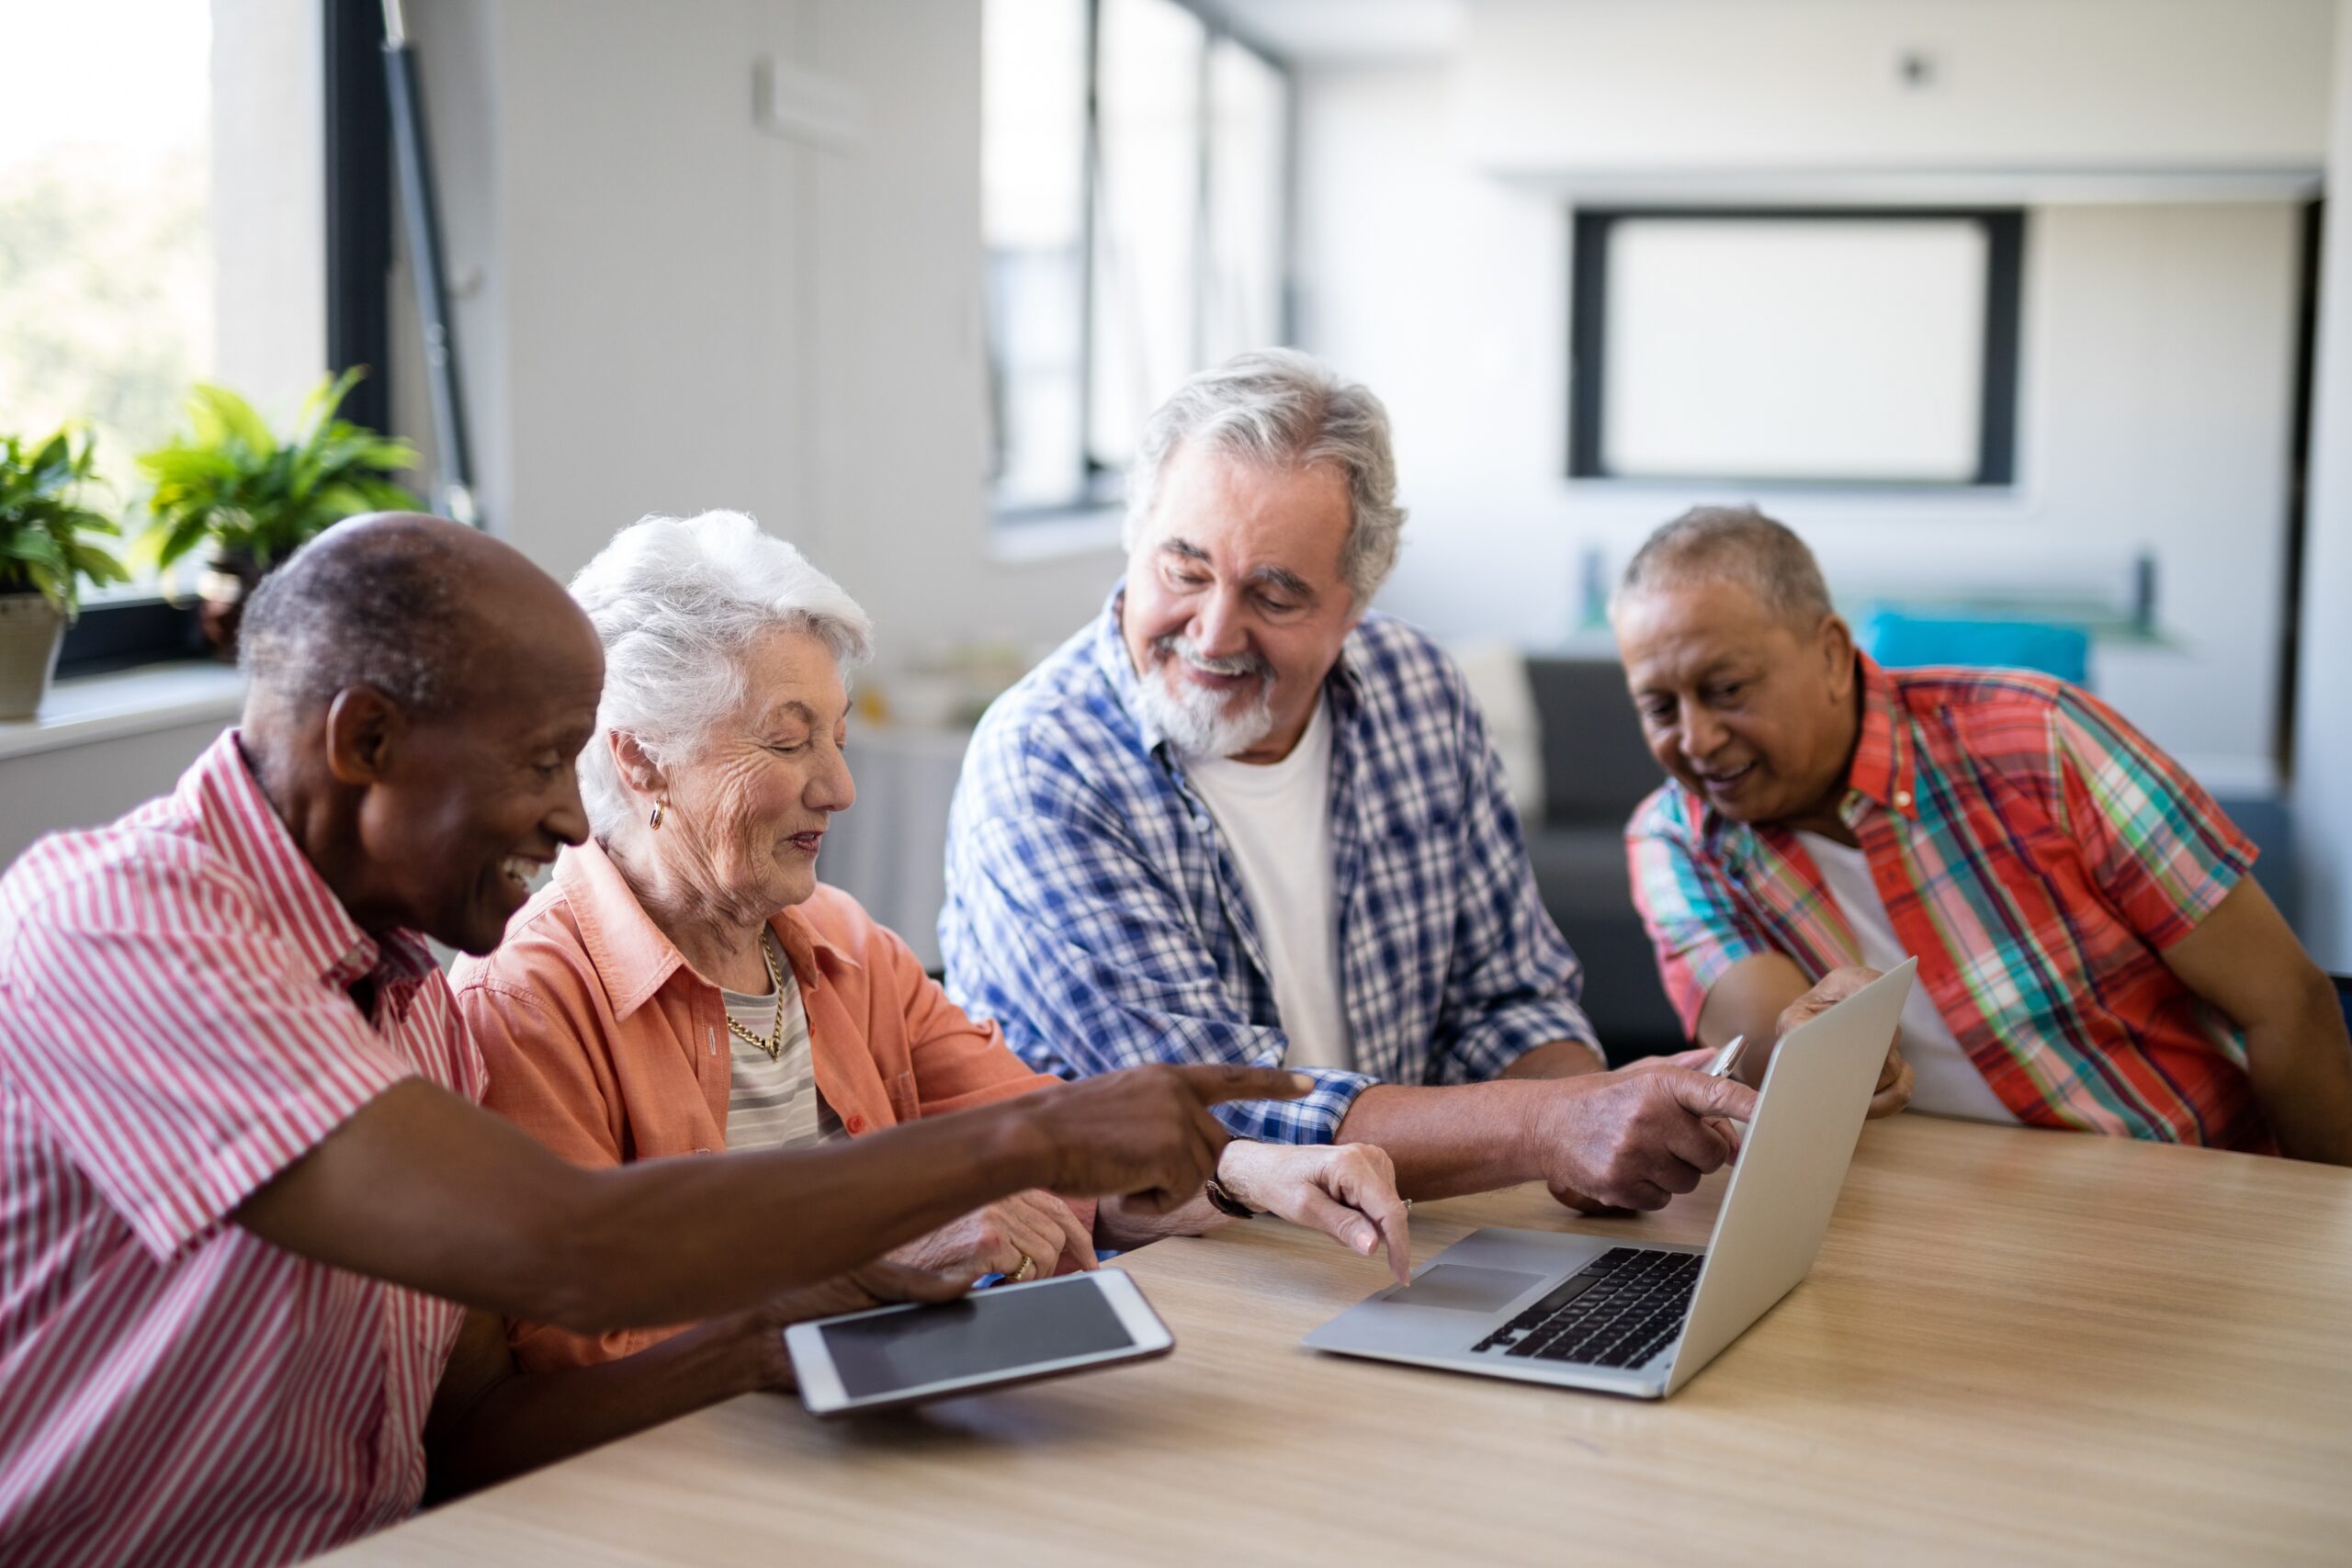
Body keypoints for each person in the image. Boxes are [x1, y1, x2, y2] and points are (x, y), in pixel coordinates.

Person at [0, 513, 1306, 1567]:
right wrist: (1028, 1135)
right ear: (367, 742)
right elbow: (573, 1245)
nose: (576, 821)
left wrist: (770, 1337)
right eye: (543, 762)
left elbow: (470, 1442)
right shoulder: (126, 922)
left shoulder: (409, 1005)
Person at [451, 511, 1410, 1372]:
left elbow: (1047, 1140)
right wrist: (862, 1258)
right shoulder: (528, 999)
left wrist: (1252, 1172)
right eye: (789, 744)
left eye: (836, 736)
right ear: (638, 756)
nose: (839, 788)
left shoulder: (841, 946)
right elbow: (574, 1351)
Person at [941, 349, 1781, 1215]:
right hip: (1162, 1267)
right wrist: (1551, 1123)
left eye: (1273, 595)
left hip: (1395, 1241)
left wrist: (1592, 1132)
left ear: (1354, 604)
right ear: (1135, 537)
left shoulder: (1417, 688)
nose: (1213, 631)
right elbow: (1215, 1107)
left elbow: (1507, 998)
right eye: (1183, 570)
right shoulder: (1043, 761)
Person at [1613, 504, 2352, 1162]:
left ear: (1832, 656)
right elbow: (1779, 1068)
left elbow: (2289, 1001)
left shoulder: (2042, 738)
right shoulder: (1677, 840)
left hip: (2179, 1179)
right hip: (1935, 1220)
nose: (1698, 739)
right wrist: (1825, 1047)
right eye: (1659, 707)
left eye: (1727, 690)